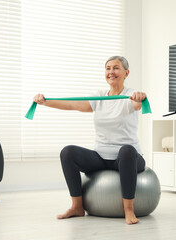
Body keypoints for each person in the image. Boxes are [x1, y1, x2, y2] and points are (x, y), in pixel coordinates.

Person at [33, 56, 147, 225]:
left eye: (116, 68)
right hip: (101, 157)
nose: (111, 72)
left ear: (126, 72)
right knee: (68, 152)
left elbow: (137, 104)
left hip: (128, 158)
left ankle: (129, 210)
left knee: (127, 149)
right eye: (107, 68)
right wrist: (45, 102)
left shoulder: (130, 95)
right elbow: (72, 105)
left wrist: (140, 98)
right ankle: (77, 207)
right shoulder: (99, 96)